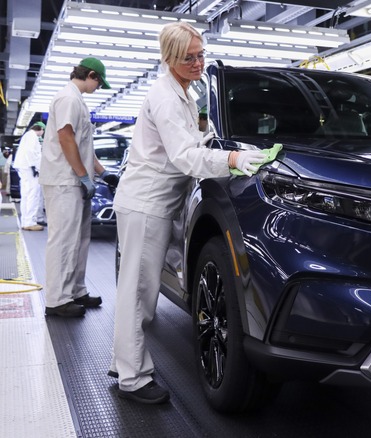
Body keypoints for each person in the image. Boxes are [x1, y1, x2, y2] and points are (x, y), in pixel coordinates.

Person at [110, 21, 269, 405]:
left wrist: (211, 138)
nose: (199, 62)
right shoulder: (165, 97)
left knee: (138, 289)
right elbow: (183, 157)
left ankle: (123, 362)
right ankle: (132, 378)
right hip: (146, 204)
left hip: (157, 203)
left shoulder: (181, 90)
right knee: (139, 293)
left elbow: (187, 140)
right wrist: (231, 157)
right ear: (169, 58)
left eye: (201, 54)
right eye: (189, 57)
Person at [40, 57, 119, 319]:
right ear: (92, 75)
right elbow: (65, 137)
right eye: (99, 83)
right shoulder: (68, 99)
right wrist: (83, 176)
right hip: (64, 181)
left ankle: (76, 290)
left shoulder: (78, 101)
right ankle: (56, 300)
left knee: (80, 239)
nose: (99, 88)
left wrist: (103, 174)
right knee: (63, 240)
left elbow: (83, 146)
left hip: (75, 181)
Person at [13, 121, 46, 231]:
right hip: (29, 168)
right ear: (40, 129)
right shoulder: (32, 136)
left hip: (24, 168)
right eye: (43, 130)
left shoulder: (27, 135)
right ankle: (30, 222)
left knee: (26, 195)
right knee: (33, 194)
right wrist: (35, 167)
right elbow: (31, 153)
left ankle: (25, 221)